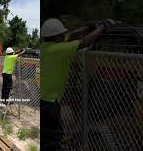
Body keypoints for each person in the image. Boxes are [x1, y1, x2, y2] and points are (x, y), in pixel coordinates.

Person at [40, 18, 115, 150]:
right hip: (50, 102)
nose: (64, 35)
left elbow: (72, 35)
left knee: (47, 132)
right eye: (61, 34)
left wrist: (88, 26)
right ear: (56, 36)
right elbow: (85, 41)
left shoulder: (45, 47)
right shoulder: (59, 49)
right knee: (53, 138)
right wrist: (103, 27)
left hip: (43, 99)